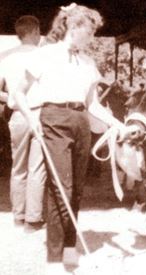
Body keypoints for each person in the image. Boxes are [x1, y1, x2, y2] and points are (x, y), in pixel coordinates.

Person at [14, 3, 139, 274]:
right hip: (54, 119)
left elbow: (93, 104)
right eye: (90, 31)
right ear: (74, 27)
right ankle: (54, 260)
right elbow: (18, 93)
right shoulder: (45, 55)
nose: (92, 37)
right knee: (61, 188)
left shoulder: (87, 62)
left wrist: (118, 124)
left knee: (77, 190)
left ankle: (69, 250)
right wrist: (32, 118)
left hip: (81, 121)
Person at [0, 15, 47, 232]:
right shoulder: (44, 56)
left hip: (18, 115)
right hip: (39, 114)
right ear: (36, 31)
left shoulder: (5, 57)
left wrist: (11, 98)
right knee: (37, 168)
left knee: (18, 168)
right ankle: (33, 219)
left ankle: (18, 216)